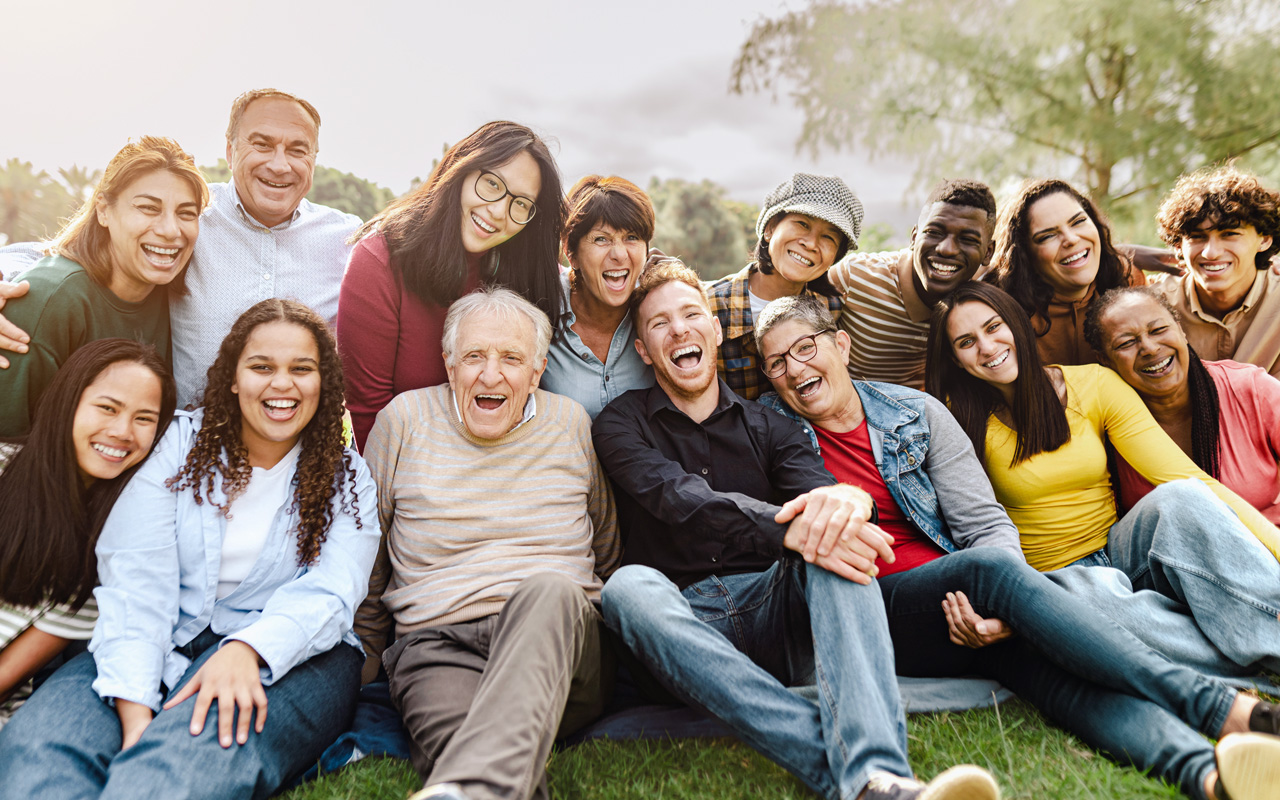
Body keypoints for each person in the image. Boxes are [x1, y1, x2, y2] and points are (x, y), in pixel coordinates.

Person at [753, 293, 1280, 800]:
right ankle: (1226, 710)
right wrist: (997, 587)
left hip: (965, 599)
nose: (795, 370)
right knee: (985, 569)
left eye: (805, 347)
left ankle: (1208, 776)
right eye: (776, 363)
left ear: (841, 345)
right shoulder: (770, 430)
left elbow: (984, 521)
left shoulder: (913, 412)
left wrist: (998, 613)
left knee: (1060, 681)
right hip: (876, 603)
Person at [594, 260, 1003, 800]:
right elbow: (677, 497)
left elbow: (824, 493)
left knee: (834, 545)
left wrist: (847, 504)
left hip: (774, 610)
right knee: (627, 588)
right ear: (644, 350)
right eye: (659, 324)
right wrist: (785, 529)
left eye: (691, 314)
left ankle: (879, 776)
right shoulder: (619, 423)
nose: (679, 331)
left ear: (715, 329)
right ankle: (855, 777)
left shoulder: (774, 426)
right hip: (682, 620)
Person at [0, 299, 379, 799]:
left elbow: (333, 592)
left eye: (301, 369)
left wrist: (248, 649)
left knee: (178, 768)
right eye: (261, 367)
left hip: (293, 657)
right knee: (37, 750)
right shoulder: (177, 446)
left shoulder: (346, 478)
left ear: (323, 383)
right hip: (155, 635)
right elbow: (138, 580)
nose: (281, 384)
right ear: (232, 378)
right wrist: (134, 718)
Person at [925, 281, 1280, 674]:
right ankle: (1244, 667)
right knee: (1102, 603)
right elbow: (963, 526)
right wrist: (1011, 602)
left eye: (994, 327)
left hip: (1121, 552)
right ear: (956, 360)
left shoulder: (1094, 384)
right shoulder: (953, 418)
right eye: (966, 342)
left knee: (1182, 495)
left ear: (1015, 324)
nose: (988, 347)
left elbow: (1187, 478)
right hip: (1052, 580)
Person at [354, 287, 619, 800]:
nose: (491, 375)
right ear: (449, 364)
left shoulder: (570, 424)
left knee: (550, 590)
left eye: (511, 359)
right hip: (436, 645)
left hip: (559, 638)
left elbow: (606, 546)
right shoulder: (404, 421)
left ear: (538, 370)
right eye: (474, 356)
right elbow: (371, 557)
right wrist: (361, 667)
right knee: (469, 761)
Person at [0, 88, 362, 408]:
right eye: (262, 144)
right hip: (182, 452)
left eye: (297, 150)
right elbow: (57, 253)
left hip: (292, 454)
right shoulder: (190, 217)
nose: (279, 164)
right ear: (231, 150)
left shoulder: (346, 240)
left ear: (313, 158)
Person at [338, 121, 565, 450]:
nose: (499, 211)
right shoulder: (380, 261)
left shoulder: (522, 265)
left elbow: (579, 277)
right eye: (491, 184)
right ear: (461, 171)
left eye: (520, 204)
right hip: (414, 473)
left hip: (513, 466)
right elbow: (370, 416)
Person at [0, 339, 177, 728]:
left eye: (144, 418)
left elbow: (10, 673)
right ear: (69, 402)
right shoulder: (4, 469)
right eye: (108, 408)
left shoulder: (112, 545)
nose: (122, 431)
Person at [0, 136, 206, 436]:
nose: (170, 230)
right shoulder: (50, 299)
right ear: (104, 211)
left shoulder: (180, 293)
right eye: (148, 208)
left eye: (186, 213)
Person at [1085, 285, 1280, 524]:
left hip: (1268, 549)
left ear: (1181, 330)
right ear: (1105, 360)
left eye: (1158, 330)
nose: (1150, 348)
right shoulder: (1100, 427)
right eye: (1126, 343)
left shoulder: (1250, 388)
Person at [826, 179, 996, 389]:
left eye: (968, 239)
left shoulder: (985, 305)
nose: (947, 249)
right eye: (934, 232)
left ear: (988, 252)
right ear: (914, 237)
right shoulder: (854, 278)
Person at [706, 172, 861, 400]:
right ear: (769, 229)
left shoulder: (830, 308)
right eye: (802, 224)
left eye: (829, 237)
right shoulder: (710, 306)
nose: (810, 243)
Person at [989, 179, 1145, 366]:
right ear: (1024, 253)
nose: (1071, 239)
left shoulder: (1128, 277)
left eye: (1078, 221)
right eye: (1047, 236)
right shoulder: (1001, 314)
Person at [1147, 165, 1280, 378]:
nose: (1211, 253)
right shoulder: (1155, 304)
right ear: (1179, 246)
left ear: (1264, 239)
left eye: (1229, 234)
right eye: (1197, 237)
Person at [541, 175, 656, 418]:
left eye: (632, 237)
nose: (619, 254)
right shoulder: (539, 308)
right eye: (601, 239)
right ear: (571, 253)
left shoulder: (659, 308)